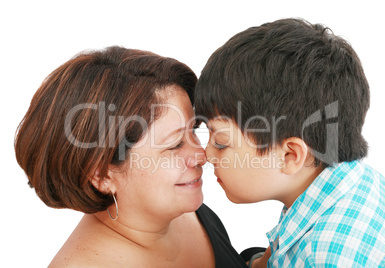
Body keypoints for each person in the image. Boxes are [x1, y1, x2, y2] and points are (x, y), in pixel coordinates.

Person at [194, 18, 385, 267]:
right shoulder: (351, 183)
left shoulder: (327, 257)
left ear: (290, 155)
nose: (205, 154)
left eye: (220, 142)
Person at [14, 46, 248, 267]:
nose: (202, 155)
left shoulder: (188, 212)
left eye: (194, 130)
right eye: (175, 145)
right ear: (103, 175)